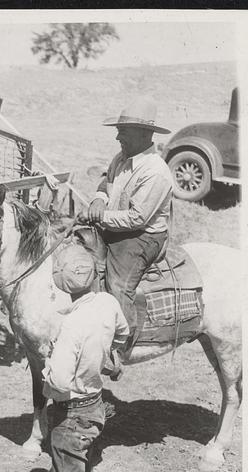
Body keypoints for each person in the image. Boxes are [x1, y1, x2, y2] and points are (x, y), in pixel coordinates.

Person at [42, 244, 129, 472]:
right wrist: (107, 357)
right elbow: (122, 334)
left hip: (71, 412)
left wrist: (47, 374)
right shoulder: (107, 303)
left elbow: (60, 383)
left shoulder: (70, 326)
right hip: (95, 405)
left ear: (62, 280)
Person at [80, 96, 173, 352]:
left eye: (123, 132)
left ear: (144, 134)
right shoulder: (121, 158)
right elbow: (105, 181)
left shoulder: (155, 171)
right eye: (119, 131)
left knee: (119, 285)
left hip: (142, 236)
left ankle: (120, 346)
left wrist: (99, 216)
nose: (117, 137)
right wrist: (99, 199)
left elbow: (137, 218)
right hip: (115, 225)